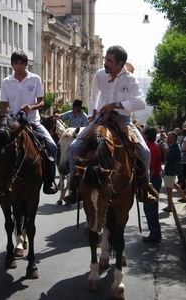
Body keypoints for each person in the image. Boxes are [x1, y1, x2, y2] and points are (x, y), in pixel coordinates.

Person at [64, 45, 157, 204]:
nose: (105, 63)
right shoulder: (100, 75)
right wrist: (93, 112)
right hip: (100, 118)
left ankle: (144, 188)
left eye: (109, 61)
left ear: (120, 63)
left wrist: (115, 105)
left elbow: (141, 102)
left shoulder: (130, 79)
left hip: (123, 120)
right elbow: (94, 96)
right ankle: (74, 186)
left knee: (145, 151)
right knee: (74, 146)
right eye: (105, 59)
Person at [0, 50, 58, 195]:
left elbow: (41, 103)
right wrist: (8, 113)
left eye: (21, 63)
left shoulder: (35, 79)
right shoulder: (6, 82)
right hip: (12, 124)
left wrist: (31, 107)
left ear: (26, 64)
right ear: (12, 65)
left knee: (52, 146)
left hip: (32, 121)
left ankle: (49, 181)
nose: (19, 66)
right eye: (16, 63)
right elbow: (3, 106)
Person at [142, 127, 162, 242]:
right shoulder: (151, 147)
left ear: (147, 136)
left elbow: (152, 169)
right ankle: (154, 232)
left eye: (143, 134)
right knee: (149, 208)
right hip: (153, 180)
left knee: (151, 209)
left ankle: (155, 233)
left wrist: (147, 183)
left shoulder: (152, 149)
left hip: (153, 180)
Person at [163, 131, 186, 212]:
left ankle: (169, 206)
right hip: (173, 169)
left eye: (169, 137)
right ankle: (184, 197)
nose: (167, 139)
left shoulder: (174, 149)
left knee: (169, 189)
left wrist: (164, 150)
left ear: (173, 139)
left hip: (170, 170)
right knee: (174, 184)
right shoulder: (176, 146)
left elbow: (167, 160)